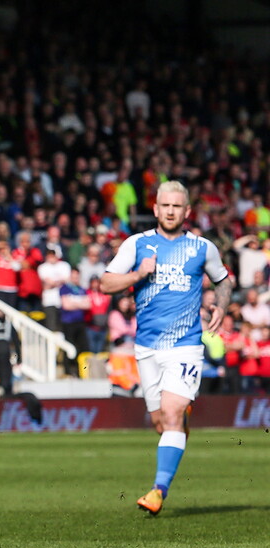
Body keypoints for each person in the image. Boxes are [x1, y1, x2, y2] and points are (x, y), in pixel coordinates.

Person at [100, 180, 230, 516]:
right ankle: (178, 422)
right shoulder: (137, 245)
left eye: (177, 206)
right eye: (165, 206)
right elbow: (105, 282)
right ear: (156, 209)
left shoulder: (203, 247)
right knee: (160, 423)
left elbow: (224, 279)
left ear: (187, 211)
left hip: (186, 346)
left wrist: (222, 304)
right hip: (147, 349)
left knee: (171, 414)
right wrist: (137, 275)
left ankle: (158, 491)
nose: (171, 211)